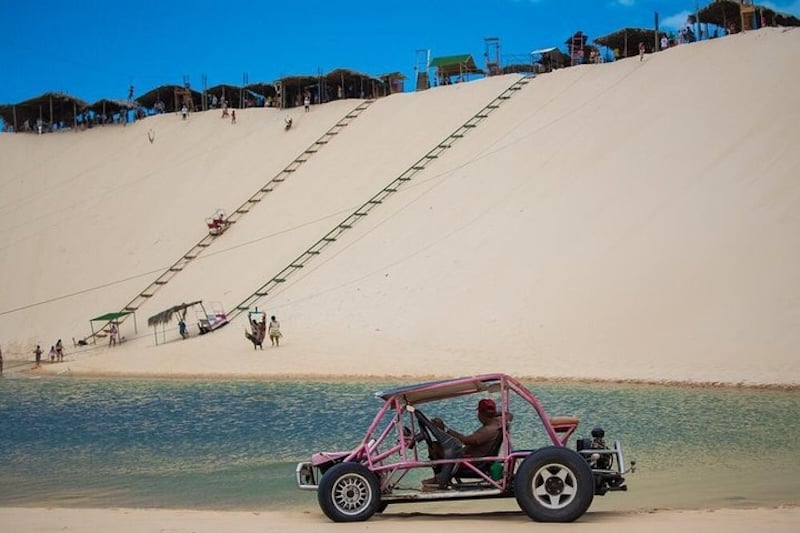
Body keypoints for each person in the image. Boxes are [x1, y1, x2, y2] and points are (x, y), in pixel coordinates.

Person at [422, 398, 503, 489]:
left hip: (472, 463)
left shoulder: (487, 431)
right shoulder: (498, 424)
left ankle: (440, 479)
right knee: (437, 445)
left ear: (481, 414)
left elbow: (465, 440)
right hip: (475, 459)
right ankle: (441, 477)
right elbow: (509, 415)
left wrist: (445, 429)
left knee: (434, 447)